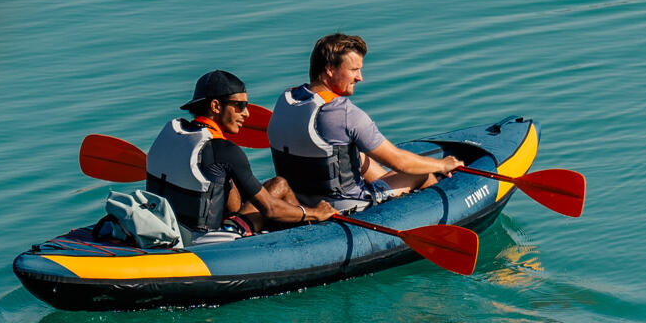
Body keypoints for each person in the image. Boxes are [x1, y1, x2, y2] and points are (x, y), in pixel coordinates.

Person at [268, 33, 464, 213]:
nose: (360, 77)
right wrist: (441, 164)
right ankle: (434, 213)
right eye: (354, 70)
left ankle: (389, 186)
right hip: (346, 204)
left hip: (298, 197)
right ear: (329, 70)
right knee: (421, 174)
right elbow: (400, 162)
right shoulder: (344, 112)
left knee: (359, 157)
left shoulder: (286, 99)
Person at [143, 70, 335, 237]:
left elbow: (231, 205)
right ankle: (309, 235)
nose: (247, 114)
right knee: (281, 193)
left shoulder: (172, 133)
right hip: (207, 241)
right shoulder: (224, 151)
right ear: (216, 106)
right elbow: (270, 209)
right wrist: (315, 212)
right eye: (240, 106)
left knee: (278, 184)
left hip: (167, 227)